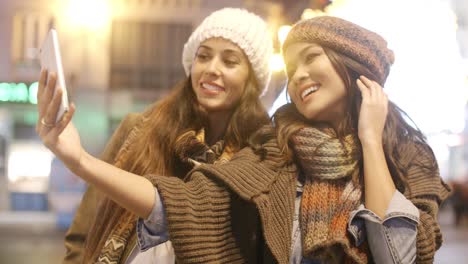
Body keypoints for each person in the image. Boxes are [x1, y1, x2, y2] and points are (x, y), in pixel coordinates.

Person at [37, 15, 450, 264]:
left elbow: (400, 255)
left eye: (312, 59)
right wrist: (79, 161)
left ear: (355, 67)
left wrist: (371, 141)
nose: (300, 75)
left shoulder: (408, 158)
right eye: (292, 67)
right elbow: (183, 205)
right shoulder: (275, 152)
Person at [36, 7, 273, 264]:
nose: (212, 69)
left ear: (252, 79)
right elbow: (83, 232)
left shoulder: (258, 157)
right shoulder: (138, 130)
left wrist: (80, 160)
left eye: (230, 61)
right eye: (203, 57)